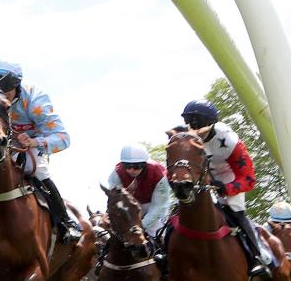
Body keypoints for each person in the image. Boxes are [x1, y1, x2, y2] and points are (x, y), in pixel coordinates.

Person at [0, 59, 82, 242]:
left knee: (36, 170)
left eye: (4, 91)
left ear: (17, 86)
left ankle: (65, 222)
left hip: (28, 149)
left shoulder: (35, 99)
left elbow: (63, 138)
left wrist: (35, 142)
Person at [179, 99, 272, 277]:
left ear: (207, 123)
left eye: (194, 122)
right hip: (204, 175)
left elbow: (249, 179)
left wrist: (226, 188)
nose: (190, 126)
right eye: (187, 121)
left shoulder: (229, 141)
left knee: (235, 211)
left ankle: (256, 258)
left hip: (231, 176)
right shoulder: (187, 138)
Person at [106, 142, 174, 238]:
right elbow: (115, 201)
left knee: (155, 232)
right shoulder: (117, 172)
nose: (131, 170)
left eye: (137, 166)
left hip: (155, 206)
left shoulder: (159, 174)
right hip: (133, 205)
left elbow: (158, 206)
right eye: (127, 166)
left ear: (144, 164)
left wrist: (141, 226)